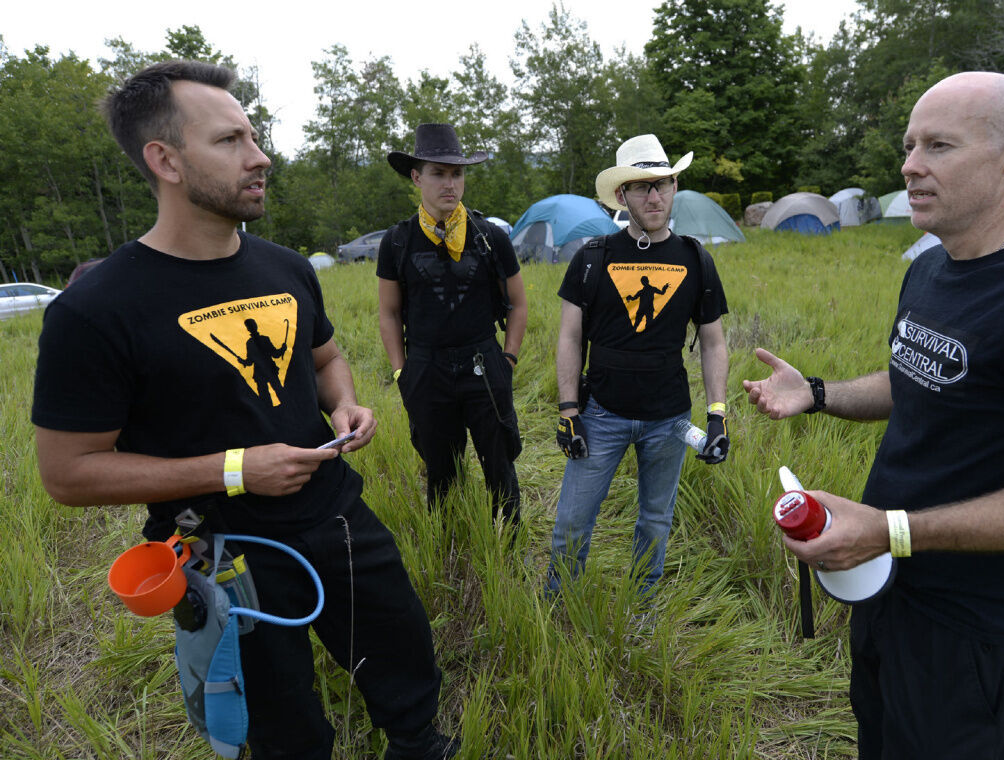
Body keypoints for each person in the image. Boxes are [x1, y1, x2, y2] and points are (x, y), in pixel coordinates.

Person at [31, 61, 458, 760]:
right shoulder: (96, 310)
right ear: (164, 160)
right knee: (283, 726)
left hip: (337, 515)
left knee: (402, 651)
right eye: (231, 141)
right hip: (226, 553)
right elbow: (68, 473)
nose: (260, 158)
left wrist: (346, 404)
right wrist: (234, 469)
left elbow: (322, 361)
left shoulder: (284, 267)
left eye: (254, 137)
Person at [744, 72, 1004, 758]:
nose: (909, 165)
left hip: (980, 630)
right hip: (886, 591)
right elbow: (919, 382)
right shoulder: (932, 267)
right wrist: (817, 393)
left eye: (938, 145)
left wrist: (892, 530)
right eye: (909, 145)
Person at [546, 134, 731, 601]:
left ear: (673, 189)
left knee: (655, 519)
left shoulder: (696, 259)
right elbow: (569, 337)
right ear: (622, 196)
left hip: (668, 418)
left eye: (663, 184)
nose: (654, 196)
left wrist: (717, 414)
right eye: (641, 186)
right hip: (600, 413)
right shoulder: (592, 258)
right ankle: (559, 602)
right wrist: (569, 411)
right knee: (572, 521)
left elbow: (712, 342)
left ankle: (643, 605)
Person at [377, 123, 527, 525]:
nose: (450, 184)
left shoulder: (490, 236)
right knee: (440, 471)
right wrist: (400, 371)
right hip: (426, 367)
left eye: (456, 173)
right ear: (416, 177)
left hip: (484, 360)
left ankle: (509, 549)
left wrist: (507, 360)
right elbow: (389, 312)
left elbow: (517, 303)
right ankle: (449, 543)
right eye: (438, 173)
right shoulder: (397, 241)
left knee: (500, 464)